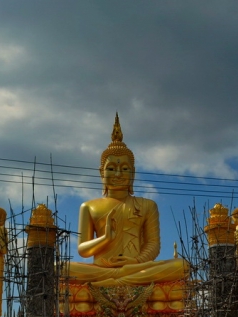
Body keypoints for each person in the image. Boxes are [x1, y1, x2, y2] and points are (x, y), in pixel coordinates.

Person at [68, 113, 188, 286]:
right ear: (101, 173)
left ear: (133, 173)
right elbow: (83, 250)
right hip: (101, 269)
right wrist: (106, 239)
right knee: (60, 268)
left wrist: (136, 262)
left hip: (136, 268)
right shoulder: (89, 206)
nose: (118, 174)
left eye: (124, 168)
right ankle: (120, 279)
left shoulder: (148, 205)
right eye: (111, 168)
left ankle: (117, 279)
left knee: (182, 265)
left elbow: (153, 244)